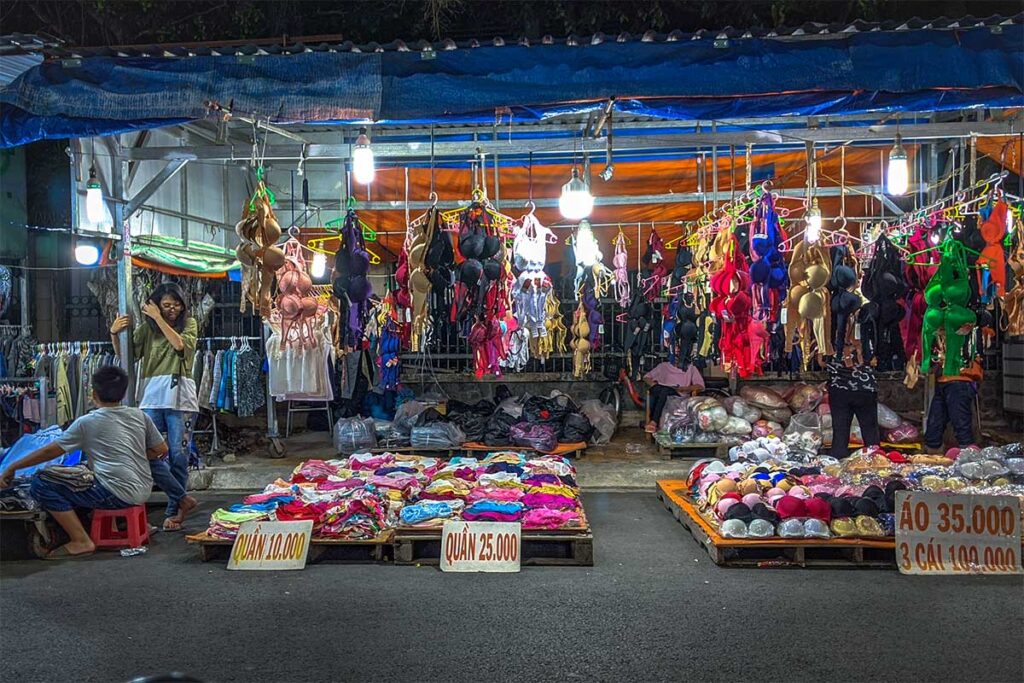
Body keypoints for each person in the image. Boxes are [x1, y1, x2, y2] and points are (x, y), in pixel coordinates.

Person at [0, 366, 167, 559]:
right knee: (86, 471)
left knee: (41, 484)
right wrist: (131, 455)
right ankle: (119, 525)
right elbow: (161, 450)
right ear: (123, 394)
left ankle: (81, 540)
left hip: (117, 494)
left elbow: (49, 451)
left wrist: (12, 467)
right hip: (143, 490)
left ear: (94, 394)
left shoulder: (87, 422)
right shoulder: (139, 415)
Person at [111, 282, 199, 531]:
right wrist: (114, 334)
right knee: (143, 452)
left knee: (178, 456)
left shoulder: (189, 325)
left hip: (181, 401)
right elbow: (126, 357)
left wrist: (159, 318)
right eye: (166, 305)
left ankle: (174, 511)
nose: (173, 309)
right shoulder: (146, 330)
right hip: (150, 399)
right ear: (157, 305)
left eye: (177, 304)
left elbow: (179, 345)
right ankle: (181, 499)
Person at [825, 353, 881, 459]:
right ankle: (876, 460)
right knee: (870, 431)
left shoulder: (831, 341)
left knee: (840, 431)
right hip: (865, 389)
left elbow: (821, 362)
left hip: (839, 389)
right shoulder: (867, 341)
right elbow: (876, 361)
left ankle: (837, 463)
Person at [925, 355, 982, 452]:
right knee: (934, 426)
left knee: (961, 424)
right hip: (944, 379)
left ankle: (968, 457)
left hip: (960, 378)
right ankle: (932, 455)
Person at [643, 361, 705, 433]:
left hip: (678, 393)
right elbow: (646, 377)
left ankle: (654, 422)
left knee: (664, 391)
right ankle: (654, 422)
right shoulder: (663, 366)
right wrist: (653, 384)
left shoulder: (691, 367)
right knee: (660, 390)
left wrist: (684, 388)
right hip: (660, 390)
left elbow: (700, 386)